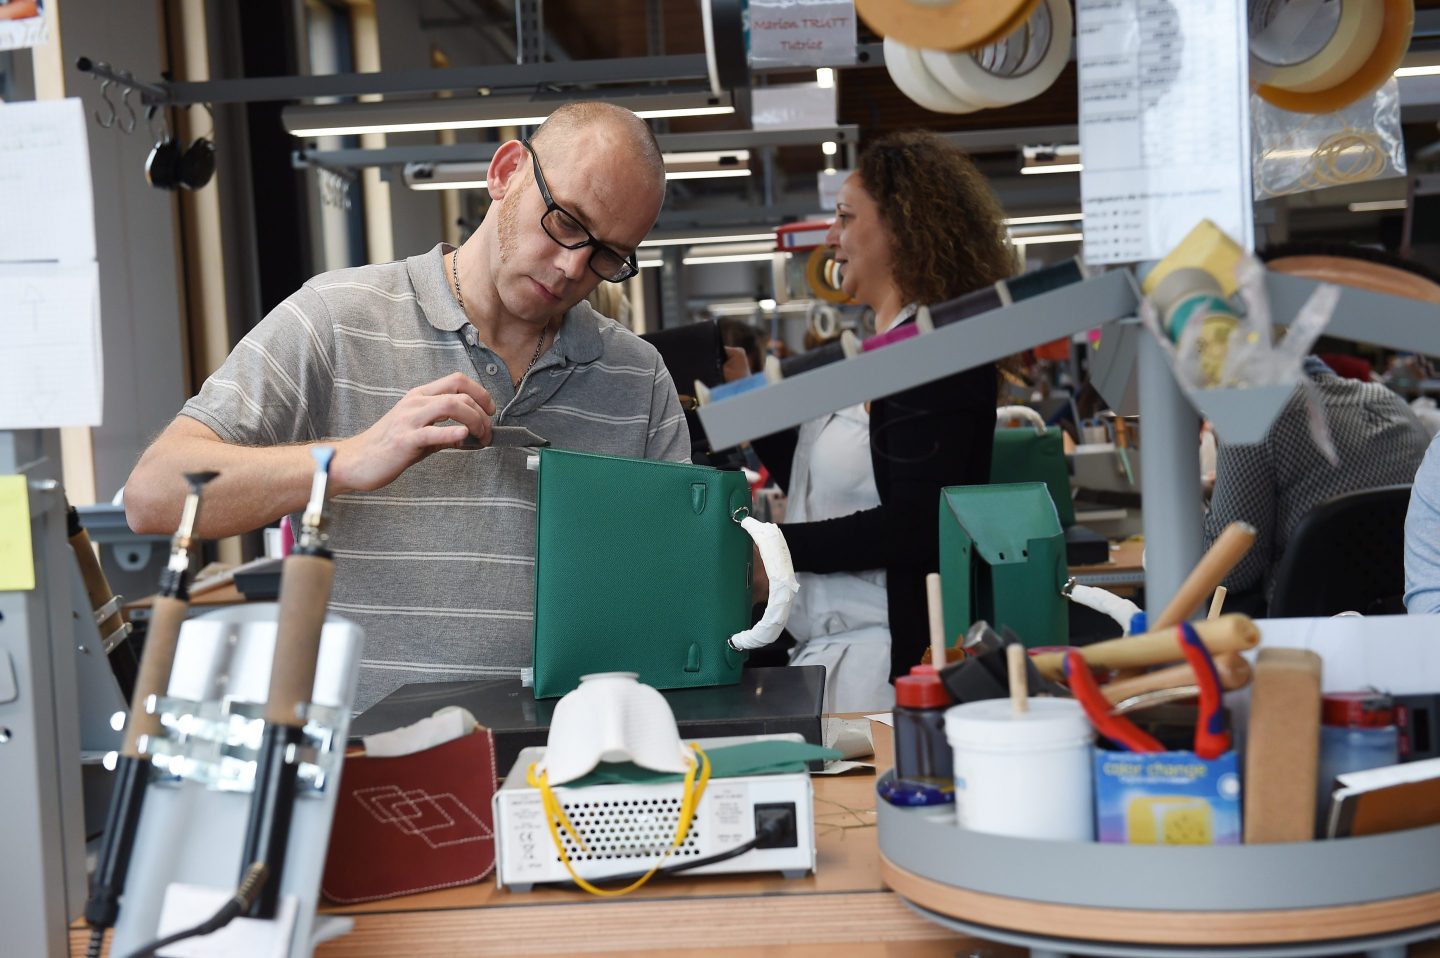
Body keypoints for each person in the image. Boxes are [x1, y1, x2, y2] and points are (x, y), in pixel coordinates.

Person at [124, 102, 688, 709]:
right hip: (371, 753)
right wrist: (348, 459)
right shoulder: (337, 318)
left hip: (569, 751)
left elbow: (675, 597)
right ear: (506, 173)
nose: (573, 265)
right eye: (565, 222)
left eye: (607, 255)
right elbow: (153, 495)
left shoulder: (637, 377)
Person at [746, 130, 1015, 711]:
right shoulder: (877, 355)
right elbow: (833, 491)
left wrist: (775, 546)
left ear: (901, 228)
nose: (830, 238)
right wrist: (751, 413)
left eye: (845, 218)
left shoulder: (932, 356)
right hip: (833, 659)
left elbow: (916, 523)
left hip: (887, 665)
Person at [1206, 243, 1435, 611]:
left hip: (1300, 629)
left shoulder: (1254, 416)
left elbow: (1230, 572)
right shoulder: (1393, 404)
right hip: (1398, 621)